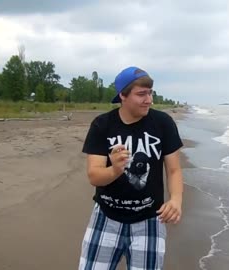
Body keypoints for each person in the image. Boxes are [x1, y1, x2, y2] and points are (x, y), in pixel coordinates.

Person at [79, 66, 184, 270]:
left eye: (150, 92)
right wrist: (115, 170)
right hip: (106, 215)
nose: (149, 99)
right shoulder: (103, 125)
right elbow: (94, 175)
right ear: (123, 96)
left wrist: (176, 199)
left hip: (150, 217)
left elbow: (174, 170)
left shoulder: (163, 123)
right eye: (141, 94)